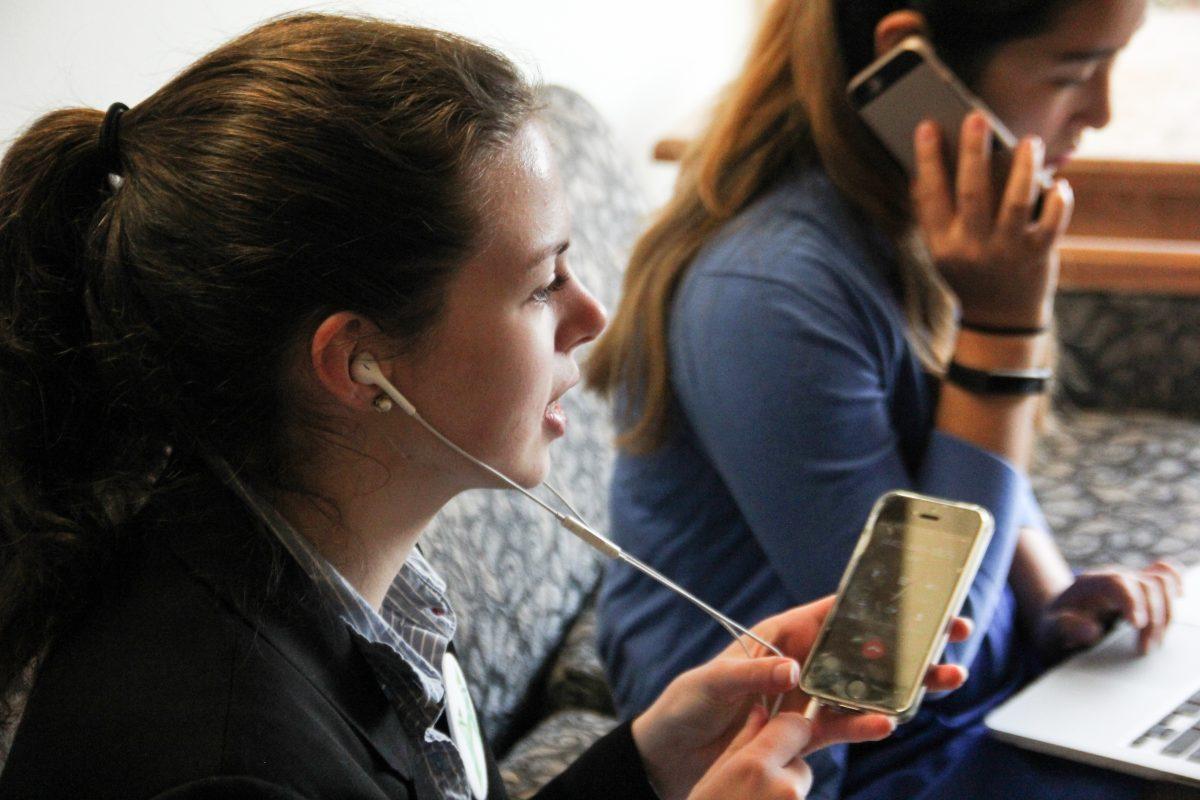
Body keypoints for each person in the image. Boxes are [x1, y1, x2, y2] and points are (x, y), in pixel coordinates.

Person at [0, 13, 973, 800]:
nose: (591, 313)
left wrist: (651, 758)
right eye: (543, 281)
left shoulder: (357, 578)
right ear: (359, 363)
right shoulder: (225, 759)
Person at [587, 1, 1184, 798]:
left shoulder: (904, 220)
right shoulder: (768, 292)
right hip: (833, 759)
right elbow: (909, 658)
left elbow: (945, 465)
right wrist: (1004, 331)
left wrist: (1052, 603)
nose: (1103, 112)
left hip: (963, 718)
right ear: (913, 62)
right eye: (1073, 72)